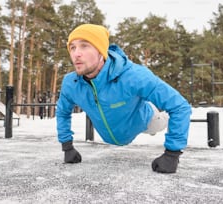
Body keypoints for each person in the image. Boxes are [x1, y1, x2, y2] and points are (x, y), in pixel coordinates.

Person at [56, 24, 192, 173]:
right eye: (72, 48)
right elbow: (62, 112)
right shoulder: (71, 83)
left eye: (84, 46)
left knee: (161, 121)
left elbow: (180, 106)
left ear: (101, 51)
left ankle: (156, 112)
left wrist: (172, 154)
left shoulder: (134, 75)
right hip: (113, 128)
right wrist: (67, 146)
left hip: (147, 120)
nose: (76, 54)